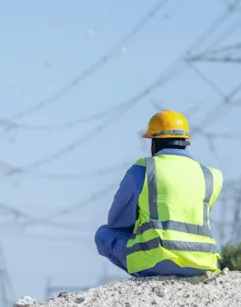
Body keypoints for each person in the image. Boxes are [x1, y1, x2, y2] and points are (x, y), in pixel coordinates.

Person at [95, 110, 223, 277]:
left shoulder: (143, 169)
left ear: (153, 144)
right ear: (186, 143)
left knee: (104, 234)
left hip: (157, 262)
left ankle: (143, 277)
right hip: (202, 263)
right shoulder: (211, 176)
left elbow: (117, 222)